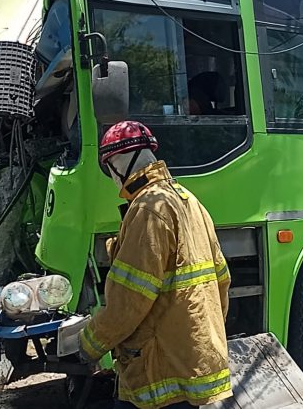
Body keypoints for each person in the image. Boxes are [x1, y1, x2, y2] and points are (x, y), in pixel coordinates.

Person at [78, 120, 232, 409]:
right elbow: (221, 281)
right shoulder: (189, 201)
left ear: (119, 165)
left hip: (158, 369)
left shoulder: (148, 208)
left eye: (109, 169)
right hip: (190, 362)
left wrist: (89, 344)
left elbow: (129, 300)